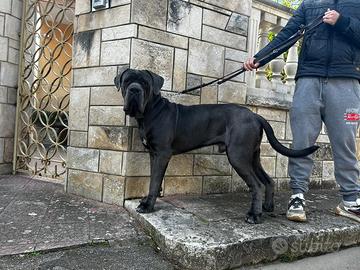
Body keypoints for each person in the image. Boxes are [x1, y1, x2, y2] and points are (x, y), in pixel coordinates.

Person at [244, 0, 360, 223]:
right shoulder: (309, 5)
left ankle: (350, 200)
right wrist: (260, 58)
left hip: (346, 82)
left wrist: (342, 22)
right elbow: (286, 35)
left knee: (345, 142)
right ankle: (297, 196)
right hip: (309, 79)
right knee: (302, 141)